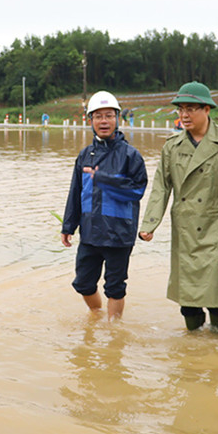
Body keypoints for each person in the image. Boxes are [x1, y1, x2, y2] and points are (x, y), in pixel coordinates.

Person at [139, 81, 218, 333]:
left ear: (207, 109)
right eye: (180, 110)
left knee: (217, 298)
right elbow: (161, 188)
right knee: (187, 300)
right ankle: (192, 351)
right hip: (186, 229)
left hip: (216, 228)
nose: (184, 115)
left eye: (190, 109)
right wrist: (149, 225)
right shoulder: (172, 146)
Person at [61, 91, 148, 321]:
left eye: (109, 115)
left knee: (115, 287)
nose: (103, 121)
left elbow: (136, 190)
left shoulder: (131, 155)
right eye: (98, 116)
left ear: (117, 118)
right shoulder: (84, 156)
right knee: (83, 283)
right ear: (90, 121)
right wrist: (68, 225)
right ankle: (96, 316)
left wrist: (103, 179)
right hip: (90, 231)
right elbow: (75, 192)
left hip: (119, 232)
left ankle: (113, 330)